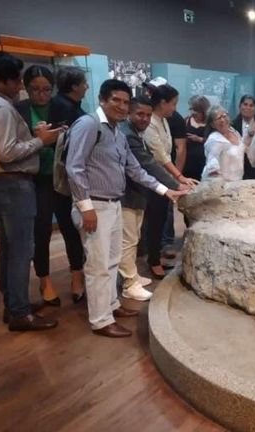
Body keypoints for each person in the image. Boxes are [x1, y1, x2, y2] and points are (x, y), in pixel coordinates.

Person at [66, 79, 189, 338]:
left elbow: (135, 170)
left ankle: (111, 306)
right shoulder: (89, 125)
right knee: (98, 265)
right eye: (116, 100)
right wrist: (86, 207)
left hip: (113, 204)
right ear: (102, 99)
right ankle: (101, 320)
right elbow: (74, 167)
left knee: (112, 261)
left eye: (125, 102)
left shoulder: (117, 133)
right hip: (95, 205)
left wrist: (165, 190)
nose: (122, 107)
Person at [0, 52, 62, 331]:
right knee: (21, 249)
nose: (20, 85)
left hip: (1, 183)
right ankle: (19, 312)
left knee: (9, 247)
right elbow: (7, 152)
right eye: (16, 80)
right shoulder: (1, 108)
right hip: (13, 182)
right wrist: (41, 141)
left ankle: (13, 303)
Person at [15, 65, 87, 307]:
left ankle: (77, 275)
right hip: (35, 178)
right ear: (26, 88)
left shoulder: (64, 107)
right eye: (35, 89)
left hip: (63, 176)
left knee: (70, 227)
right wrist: (38, 139)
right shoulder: (19, 110)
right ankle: (44, 280)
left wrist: (59, 137)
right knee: (41, 230)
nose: (41, 94)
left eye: (46, 89)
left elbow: (79, 141)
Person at [119, 96, 189, 300]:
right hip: (125, 194)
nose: (144, 118)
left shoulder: (136, 131)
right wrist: (175, 184)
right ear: (129, 113)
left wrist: (171, 184)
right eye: (139, 114)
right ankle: (129, 284)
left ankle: (131, 275)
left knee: (133, 237)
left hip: (139, 190)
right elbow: (147, 164)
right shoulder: (128, 134)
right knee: (128, 240)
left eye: (147, 115)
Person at [143, 84, 197, 279]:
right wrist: (179, 177)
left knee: (160, 220)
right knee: (154, 220)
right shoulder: (151, 122)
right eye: (173, 103)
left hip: (163, 176)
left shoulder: (164, 120)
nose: (174, 107)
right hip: (152, 177)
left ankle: (155, 257)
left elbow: (168, 151)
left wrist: (176, 177)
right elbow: (160, 155)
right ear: (162, 102)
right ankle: (153, 261)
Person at [202, 105, 255, 181]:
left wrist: (250, 134)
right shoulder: (214, 139)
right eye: (218, 118)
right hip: (220, 184)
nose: (223, 120)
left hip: (236, 182)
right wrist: (218, 183)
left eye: (224, 116)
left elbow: (242, 147)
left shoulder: (233, 131)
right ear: (212, 124)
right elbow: (212, 163)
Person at [232, 95, 255, 179]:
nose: (248, 108)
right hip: (241, 169)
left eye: (251, 105)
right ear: (240, 106)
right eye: (245, 104)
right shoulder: (233, 125)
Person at [183, 95, 210, 181]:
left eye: (196, 110)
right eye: (191, 109)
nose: (193, 113)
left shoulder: (210, 124)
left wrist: (200, 139)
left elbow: (216, 141)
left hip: (204, 163)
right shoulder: (186, 121)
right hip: (187, 164)